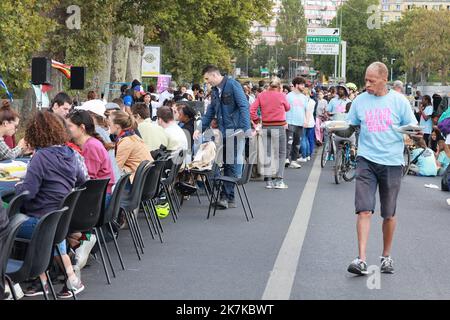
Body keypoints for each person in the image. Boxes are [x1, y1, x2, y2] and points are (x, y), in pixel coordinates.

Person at [346, 62, 418, 276]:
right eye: (365, 80)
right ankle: (361, 259)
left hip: (392, 162)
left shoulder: (399, 102)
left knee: (388, 213)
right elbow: (351, 125)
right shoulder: (360, 101)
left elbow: (412, 126)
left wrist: (415, 134)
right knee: (364, 209)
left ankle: (386, 256)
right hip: (366, 160)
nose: (366, 84)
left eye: (371, 81)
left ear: (384, 80)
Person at [15, 111, 87, 298]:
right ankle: (61, 279)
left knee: (9, 224)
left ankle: (14, 282)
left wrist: (18, 186)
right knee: (53, 234)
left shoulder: (40, 157)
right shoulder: (70, 153)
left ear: (35, 133)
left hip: (42, 220)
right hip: (60, 217)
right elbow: (80, 179)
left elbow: (28, 193)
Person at [193, 65, 251, 210]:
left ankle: (226, 197)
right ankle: (228, 198)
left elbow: (244, 106)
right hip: (225, 131)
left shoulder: (232, 85)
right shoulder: (214, 90)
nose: (207, 82)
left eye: (207, 79)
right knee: (226, 164)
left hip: (236, 131)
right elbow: (210, 111)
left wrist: (245, 129)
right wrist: (200, 129)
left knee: (230, 164)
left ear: (214, 75)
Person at [250, 77, 290, 189]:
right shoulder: (282, 95)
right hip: (279, 127)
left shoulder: (262, 95)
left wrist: (257, 120)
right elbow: (288, 108)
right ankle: (279, 180)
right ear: (279, 86)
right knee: (281, 153)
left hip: (266, 126)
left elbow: (252, 110)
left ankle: (268, 181)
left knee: (267, 153)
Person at [108, 111, 153, 182]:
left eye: (110, 122)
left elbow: (115, 169)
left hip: (138, 182)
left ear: (117, 126)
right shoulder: (133, 136)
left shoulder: (126, 141)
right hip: (147, 179)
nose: (108, 125)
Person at [285, 77, 308, 169]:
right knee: (289, 142)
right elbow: (284, 110)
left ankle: (293, 161)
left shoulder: (304, 97)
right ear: (296, 85)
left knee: (297, 143)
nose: (303, 86)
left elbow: (306, 110)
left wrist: (306, 120)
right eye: (302, 84)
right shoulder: (288, 96)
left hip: (300, 123)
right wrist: (284, 121)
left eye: (304, 84)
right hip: (290, 122)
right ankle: (286, 159)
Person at [299, 88, 316, 162]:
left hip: (304, 121)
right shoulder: (313, 101)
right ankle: (308, 155)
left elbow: (306, 112)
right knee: (307, 139)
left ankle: (304, 156)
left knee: (303, 139)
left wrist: (305, 121)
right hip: (311, 122)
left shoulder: (303, 101)